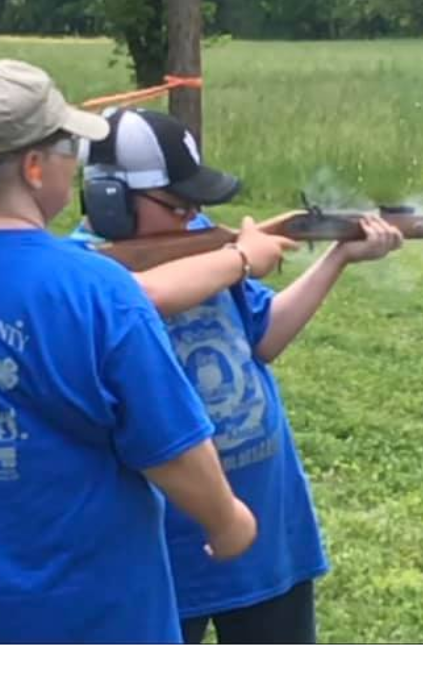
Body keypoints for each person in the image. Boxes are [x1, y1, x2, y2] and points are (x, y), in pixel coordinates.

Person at [76, 106, 404, 644]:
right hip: (164, 551)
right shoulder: (81, 275)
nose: (193, 217)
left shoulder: (210, 244)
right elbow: (140, 298)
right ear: (110, 200)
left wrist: (338, 257)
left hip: (268, 532)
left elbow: (265, 336)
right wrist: (240, 259)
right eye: (178, 205)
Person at [0, 60, 259, 644]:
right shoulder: (98, 293)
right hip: (96, 622)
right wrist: (228, 519)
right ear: (36, 167)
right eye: (69, 145)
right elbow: (169, 449)